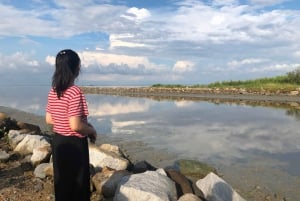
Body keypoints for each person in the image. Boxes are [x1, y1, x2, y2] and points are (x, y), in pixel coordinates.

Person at [45, 49, 97, 201]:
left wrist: (63, 121)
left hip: (59, 142)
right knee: (78, 186)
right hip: (74, 144)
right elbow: (75, 125)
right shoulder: (74, 92)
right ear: (76, 69)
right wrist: (91, 130)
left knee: (63, 184)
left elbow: (49, 119)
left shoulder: (53, 91)